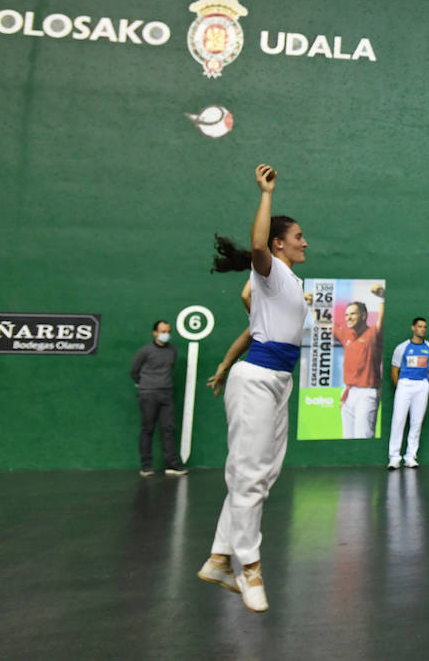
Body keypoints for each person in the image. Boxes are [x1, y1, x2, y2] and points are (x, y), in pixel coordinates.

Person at [196, 164, 308, 612]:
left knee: (262, 476)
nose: (305, 242)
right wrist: (267, 194)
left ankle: (220, 557)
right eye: (298, 236)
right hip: (258, 380)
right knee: (246, 476)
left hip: (277, 380)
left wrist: (223, 365)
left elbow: (252, 325)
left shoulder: (286, 283)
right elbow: (259, 244)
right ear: (281, 244)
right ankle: (250, 567)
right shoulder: (272, 270)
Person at [130, 319, 188, 477]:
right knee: (148, 429)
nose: (166, 334)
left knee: (168, 429)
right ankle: (146, 466)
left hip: (167, 394)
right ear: (155, 333)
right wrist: (146, 385)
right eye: (163, 332)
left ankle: (171, 465)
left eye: (168, 331)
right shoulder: (145, 351)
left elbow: (170, 368)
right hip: (148, 394)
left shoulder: (173, 350)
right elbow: (134, 371)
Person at [387, 317, 429, 469]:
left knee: (416, 422)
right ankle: (394, 457)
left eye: (424, 327)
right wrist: (401, 386)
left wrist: (425, 384)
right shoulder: (401, 348)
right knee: (398, 421)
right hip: (404, 384)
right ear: (413, 328)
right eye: (419, 326)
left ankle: (410, 457)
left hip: (421, 386)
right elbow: (394, 371)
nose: (422, 329)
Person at [336, 294, 385, 439]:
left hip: (367, 394)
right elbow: (323, 323)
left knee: (363, 437)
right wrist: (313, 304)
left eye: (353, 314)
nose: (348, 318)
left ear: (364, 316)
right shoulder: (346, 334)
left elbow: (382, 320)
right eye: (346, 314)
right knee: (347, 437)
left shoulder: (373, 334)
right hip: (348, 393)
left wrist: (383, 297)